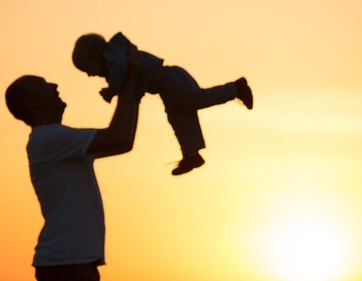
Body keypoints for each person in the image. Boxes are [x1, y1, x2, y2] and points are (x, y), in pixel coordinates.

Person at [4, 52, 141, 281]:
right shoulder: (48, 138)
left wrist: (132, 90)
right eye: (42, 85)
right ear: (32, 102)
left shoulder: (61, 141)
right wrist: (130, 81)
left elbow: (124, 140)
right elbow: (119, 136)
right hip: (69, 264)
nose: (53, 84)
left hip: (73, 263)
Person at [72, 32, 254, 176]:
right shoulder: (115, 55)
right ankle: (191, 155)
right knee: (179, 119)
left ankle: (236, 88)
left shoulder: (113, 55)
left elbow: (120, 68)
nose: (89, 74)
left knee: (195, 100)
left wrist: (113, 88)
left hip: (170, 80)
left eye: (87, 69)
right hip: (167, 88)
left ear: (96, 56)